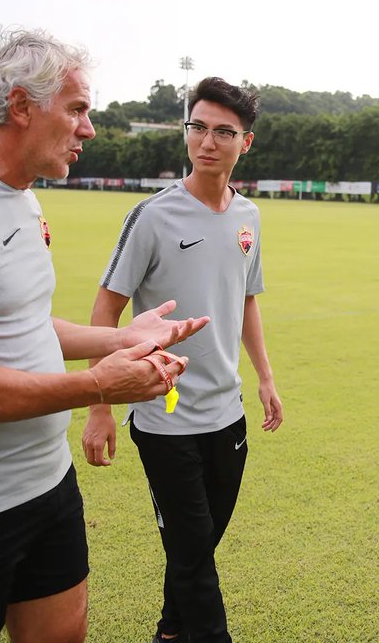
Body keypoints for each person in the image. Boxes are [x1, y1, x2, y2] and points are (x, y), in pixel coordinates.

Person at [0, 29, 207, 643]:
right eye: (78, 109)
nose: (90, 129)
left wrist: (116, 340)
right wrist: (97, 388)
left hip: (47, 485)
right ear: (22, 106)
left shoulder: (22, 199)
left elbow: (18, 323)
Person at [82, 76, 283, 643]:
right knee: (194, 553)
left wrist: (265, 377)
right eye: (198, 127)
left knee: (198, 546)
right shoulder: (152, 217)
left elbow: (245, 300)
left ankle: (170, 633)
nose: (208, 141)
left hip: (229, 415)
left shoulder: (250, 217)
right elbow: (107, 306)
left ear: (247, 142)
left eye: (224, 131)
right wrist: (100, 402)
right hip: (165, 417)